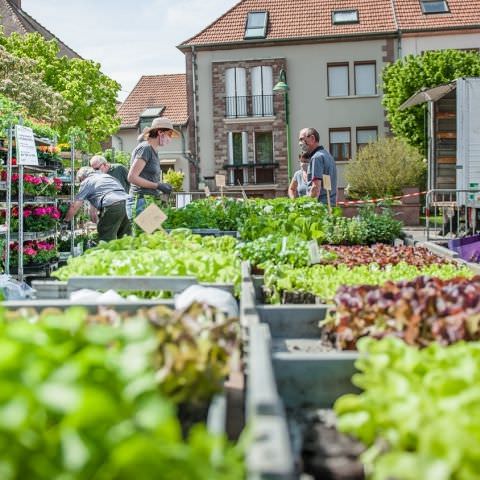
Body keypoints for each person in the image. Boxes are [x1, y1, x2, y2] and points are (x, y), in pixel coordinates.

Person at [64, 166, 131, 242]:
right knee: (125, 237)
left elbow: (74, 206)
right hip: (128, 204)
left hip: (113, 205)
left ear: (82, 177)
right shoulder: (107, 176)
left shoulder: (87, 181)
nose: (80, 183)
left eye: (80, 180)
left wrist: (66, 220)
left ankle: (106, 253)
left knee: (106, 237)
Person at [128, 117, 176, 217]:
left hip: (149, 199)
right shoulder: (146, 148)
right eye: (169, 134)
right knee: (143, 232)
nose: (170, 139)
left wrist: (161, 186)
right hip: (140, 201)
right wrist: (158, 186)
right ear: (160, 133)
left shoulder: (154, 151)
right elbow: (132, 177)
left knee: (155, 232)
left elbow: (148, 177)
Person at [298, 127, 337, 206]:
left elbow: (315, 188)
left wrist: (308, 205)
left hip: (320, 207)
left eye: (302, 139)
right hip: (330, 205)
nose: (300, 143)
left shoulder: (316, 158)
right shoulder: (327, 155)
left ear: (312, 138)